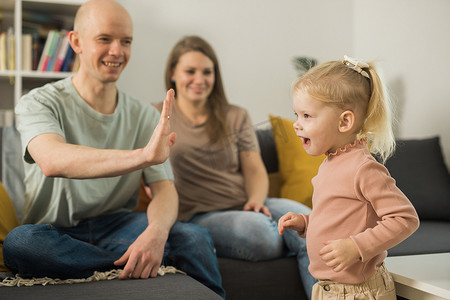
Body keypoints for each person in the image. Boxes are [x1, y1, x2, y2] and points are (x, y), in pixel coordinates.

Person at [3, 1, 225, 297]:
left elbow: (165, 190)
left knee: (194, 236)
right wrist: (143, 156)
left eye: (126, 41)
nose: (117, 51)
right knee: (21, 243)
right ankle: (122, 264)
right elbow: (52, 160)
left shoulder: (144, 115)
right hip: (56, 232)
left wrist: (156, 235)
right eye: (104, 39)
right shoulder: (38, 102)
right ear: (76, 42)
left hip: (119, 227)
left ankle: (126, 261)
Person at [153, 35, 317, 299]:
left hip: (250, 203)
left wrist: (254, 200)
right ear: (173, 73)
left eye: (207, 72)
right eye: (190, 71)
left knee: (315, 223)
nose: (199, 79)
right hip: (200, 214)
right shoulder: (156, 116)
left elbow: (254, 168)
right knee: (262, 235)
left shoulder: (235, 115)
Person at [277, 56, 420, 299]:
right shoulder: (330, 163)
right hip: (327, 288)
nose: (296, 125)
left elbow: (405, 218)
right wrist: (306, 222)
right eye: (296, 115)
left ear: (344, 121)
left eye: (307, 116)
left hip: (360, 292)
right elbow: (339, 217)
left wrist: (357, 246)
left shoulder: (363, 168)